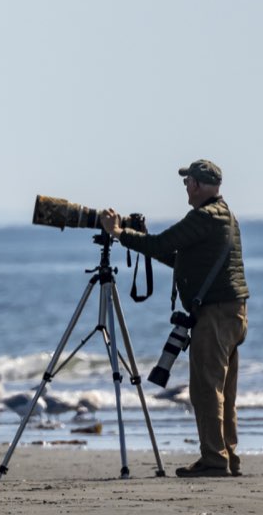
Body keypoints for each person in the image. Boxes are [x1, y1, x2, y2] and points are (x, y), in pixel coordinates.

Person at [98, 160, 249, 478]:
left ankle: (214, 459)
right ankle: (227, 456)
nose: (185, 189)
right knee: (223, 391)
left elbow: (162, 244)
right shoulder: (225, 216)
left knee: (206, 389)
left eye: (187, 183)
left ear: (195, 184)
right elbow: (177, 258)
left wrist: (119, 233)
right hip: (233, 312)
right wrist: (136, 238)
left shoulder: (204, 217)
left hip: (216, 314)